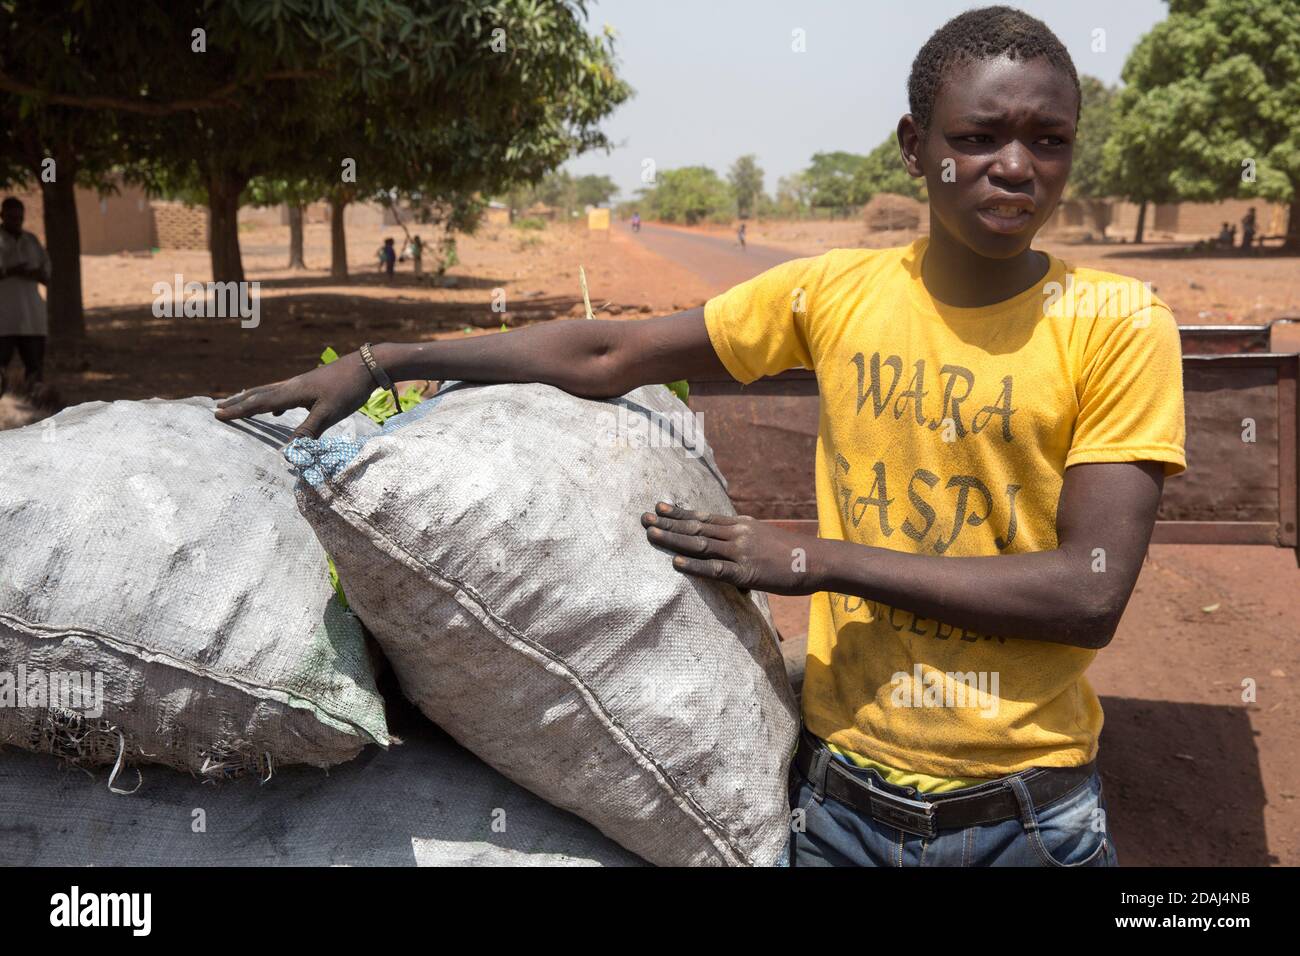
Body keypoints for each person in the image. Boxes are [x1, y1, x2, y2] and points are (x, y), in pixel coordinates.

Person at [216, 6, 1185, 868]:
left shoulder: (1115, 321)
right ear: (912, 143)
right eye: (978, 136)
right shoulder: (834, 292)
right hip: (844, 799)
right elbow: (610, 351)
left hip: (1029, 811)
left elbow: (1086, 590)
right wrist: (386, 358)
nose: (1014, 167)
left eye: (1047, 141)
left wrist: (813, 557)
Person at [0, 196, 51, 398]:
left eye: (19, 218)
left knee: (35, 369)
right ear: (2, 215)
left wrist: (31, 273)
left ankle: (36, 414)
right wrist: (13, 270)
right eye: (11, 217)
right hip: (3, 319)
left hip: (32, 319)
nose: (16, 221)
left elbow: (46, 273)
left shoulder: (31, 241)